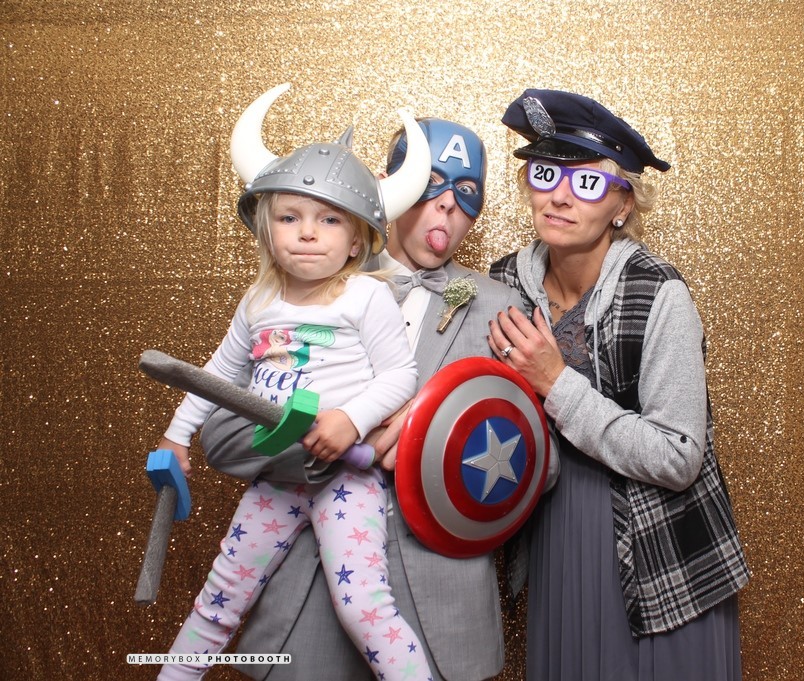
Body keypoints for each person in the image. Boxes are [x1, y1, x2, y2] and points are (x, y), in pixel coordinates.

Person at [201, 117, 533, 681]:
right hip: (309, 605)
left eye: (466, 192)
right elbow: (220, 437)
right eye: (432, 183)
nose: (447, 205)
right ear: (386, 187)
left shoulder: (500, 307)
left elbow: (539, 468)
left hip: (442, 613)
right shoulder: (296, 282)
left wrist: (434, 440)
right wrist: (329, 437)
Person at [155, 84, 435, 680]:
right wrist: (177, 437)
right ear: (266, 229)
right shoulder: (258, 302)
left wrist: (350, 420)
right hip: (276, 474)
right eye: (290, 217)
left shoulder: (365, 297)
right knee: (219, 600)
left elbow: (401, 375)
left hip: (347, 481)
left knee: (365, 610)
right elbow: (219, 375)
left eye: (329, 219)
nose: (308, 233)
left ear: (357, 239)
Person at [487, 89, 751, 680]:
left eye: (587, 183)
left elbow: (679, 456)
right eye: (545, 173)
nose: (559, 196)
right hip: (555, 534)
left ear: (622, 205)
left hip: (662, 554)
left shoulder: (659, 292)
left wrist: (556, 383)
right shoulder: (502, 283)